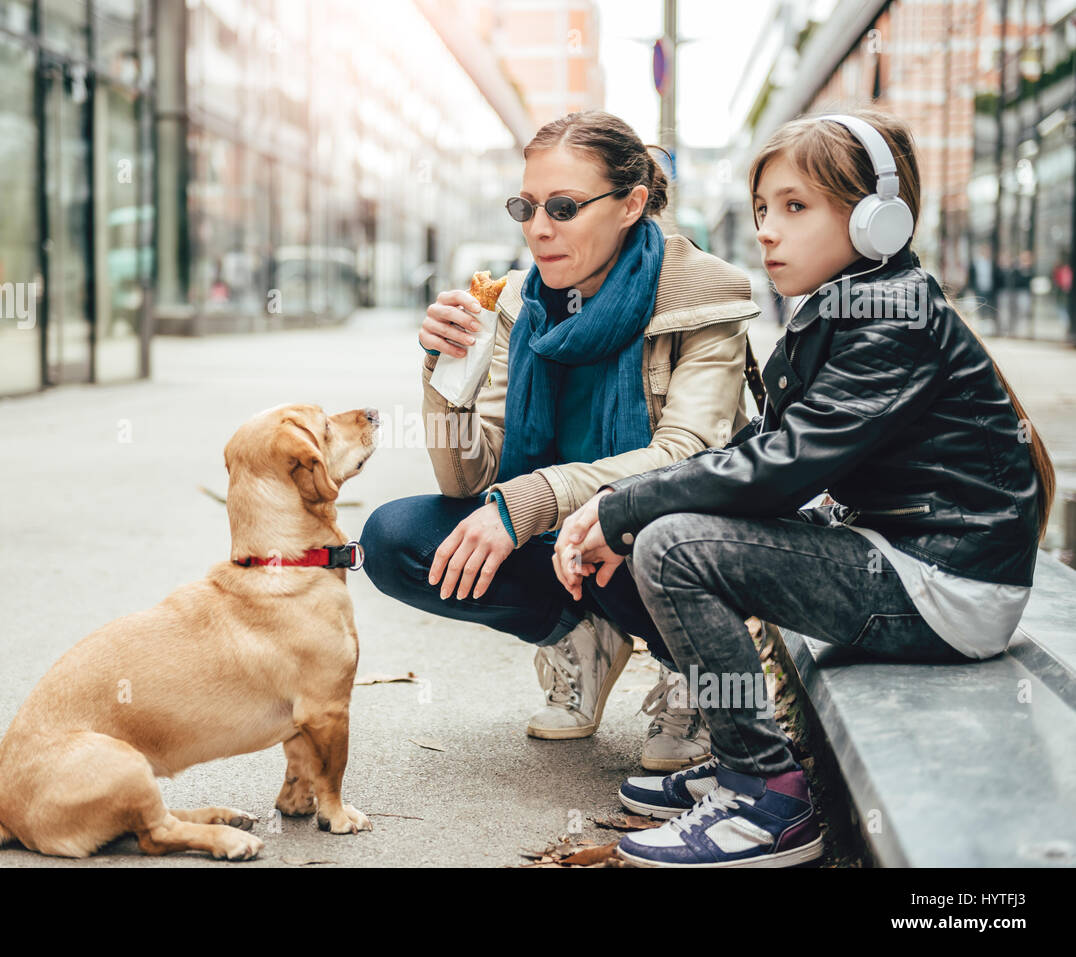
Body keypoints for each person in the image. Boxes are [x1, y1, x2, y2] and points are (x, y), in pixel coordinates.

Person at [553, 110, 1055, 868]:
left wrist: (627, 506)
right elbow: (767, 452)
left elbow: (783, 465)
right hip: (915, 562)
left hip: (946, 584)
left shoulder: (892, 316)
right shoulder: (848, 306)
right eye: (762, 209)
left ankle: (768, 801)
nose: (767, 231)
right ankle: (741, 760)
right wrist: (640, 501)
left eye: (795, 206)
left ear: (879, 218)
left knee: (674, 547)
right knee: (668, 532)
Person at [360, 110, 760, 771]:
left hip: (660, 536)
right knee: (394, 538)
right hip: (565, 543)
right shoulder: (520, 301)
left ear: (632, 203)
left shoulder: (703, 294)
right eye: (528, 205)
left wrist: (536, 497)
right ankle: (584, 638)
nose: (538, 228)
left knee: (653, 521)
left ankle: (689, 670)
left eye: (566, 207)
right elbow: (469, 482)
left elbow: (685, 455)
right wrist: (442, 373)